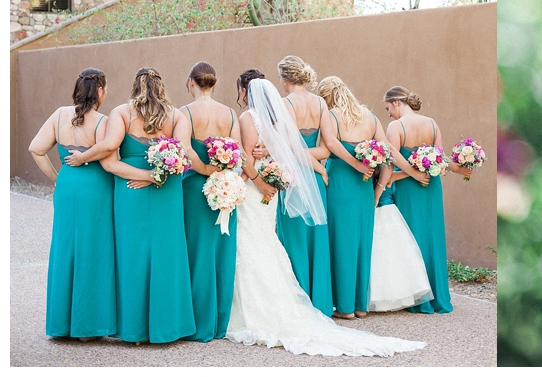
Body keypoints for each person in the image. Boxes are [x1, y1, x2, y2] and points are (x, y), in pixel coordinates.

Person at [225, 70, 426, 356]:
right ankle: (346, 303)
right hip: (296, 180)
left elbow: (310, 147)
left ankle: (262, 306)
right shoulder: (335, 112)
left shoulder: (254, 117)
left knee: (267, 243)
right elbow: (301, 147)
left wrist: (248, 178)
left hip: (269, 183)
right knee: (293, 243)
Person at [317, 75, 427, 319]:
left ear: (328, 97)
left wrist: (355, 165)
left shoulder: (331, 115)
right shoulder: (370, 117)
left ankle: (344, 308)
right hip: (365, 188)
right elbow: (388, 153)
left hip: (341, 183)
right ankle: (360, 306)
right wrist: (378, 190)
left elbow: (332, 144)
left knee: (341, 241)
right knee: (361, 243)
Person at [99, 67, 196, 343]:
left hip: (130, 190)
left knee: (132, 255)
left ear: (135, 87)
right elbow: (184, 155)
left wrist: (144, 176)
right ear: (161, 87)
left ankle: (135, 330)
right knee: (168, 254)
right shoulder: (177, 115)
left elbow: (109, 161)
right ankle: (168, 327)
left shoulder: (120, 113)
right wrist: (156, 177)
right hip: (166, 191)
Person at [28, 68, 116, 340]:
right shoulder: (103, 121)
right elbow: (110, 157)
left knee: (66, 248)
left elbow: (36, 148)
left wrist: (58, 177)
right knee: (93, 250)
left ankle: (62, 324)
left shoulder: (59, 115)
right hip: (96, 189)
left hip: (68, 187)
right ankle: (88, 328)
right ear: (100, 91)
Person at [383, 86, 469, 314]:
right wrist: (460, 169)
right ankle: (437, 295)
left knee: (411, 236)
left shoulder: (396, 126)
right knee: (431, 235)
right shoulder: (432, 123)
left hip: (410, 187)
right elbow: (439, 159)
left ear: (397, 102)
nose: (389, 114)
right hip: (431, 186)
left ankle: (418, 295)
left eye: (388, 108)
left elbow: (391, 159)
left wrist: (408, 175)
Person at [177, 61, 240, 342]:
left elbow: (184, 147)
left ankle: (198, 321)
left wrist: (203, 170)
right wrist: (222, 174)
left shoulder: (186, 112)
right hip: (225, 188)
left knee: (196, 251)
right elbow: (236, 152)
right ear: (213, 84)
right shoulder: (229, 113)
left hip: (195, 188)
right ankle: (218, 323)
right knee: (220, 252)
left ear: (191, 82)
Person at [271, 56, 333, 317]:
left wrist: (312, 166)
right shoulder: (319, 102)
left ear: (285, 80)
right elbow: (328, 146)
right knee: (315, 236)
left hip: (294, 178)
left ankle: (300, 301)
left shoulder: (285, 103)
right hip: (317, 179)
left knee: (295, 237)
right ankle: (319, 300)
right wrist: (318, 166)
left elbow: (290, 149)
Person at [367, 165, 434, 312]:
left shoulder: (367, 177)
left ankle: (375, 297)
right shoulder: (389, 176)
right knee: (395, 255)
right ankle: (398, 294)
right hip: (389, 214)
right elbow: (406, 174)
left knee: (377, 255)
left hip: (374, 215)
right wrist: (420, 169)